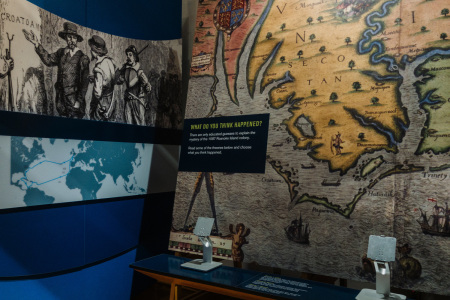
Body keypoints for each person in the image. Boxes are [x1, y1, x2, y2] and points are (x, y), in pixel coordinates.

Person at [23, 22, 90, 119]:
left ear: (77, 40)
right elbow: (48, 60)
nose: (72, 40)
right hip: (61, 101)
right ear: (65, 38)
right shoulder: (61, 52)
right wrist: (37, 44)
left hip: (74, 102)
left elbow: (84, 83)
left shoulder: (82, 58)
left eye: (74, 38)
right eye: (69, 37)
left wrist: (78, 101)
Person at [116, 45, 151, 125]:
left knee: (140, 124)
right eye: (127, 55)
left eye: (130, 55)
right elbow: (118, 81)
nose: (128, 57)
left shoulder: (139, 71)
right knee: (128, 124)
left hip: (137, 102)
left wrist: (146, 86)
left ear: (135, 57)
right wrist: (119, 73)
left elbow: (147, 86)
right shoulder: (125, 69)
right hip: (128, 102)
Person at [88, 35, 116, 121]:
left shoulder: (98, 67)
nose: (90, 51)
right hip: (111, 101)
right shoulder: (109, 61)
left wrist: (96, 78)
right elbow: (110, 79)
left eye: (91, 49)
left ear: (94, 50)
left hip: (102, 103)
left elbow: (97, 93)